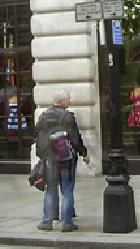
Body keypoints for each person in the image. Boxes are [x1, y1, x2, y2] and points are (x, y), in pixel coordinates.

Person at [34, 89, 89, 233]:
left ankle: (47, 221)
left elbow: (37, 137)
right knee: (67, 190)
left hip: (50, 158)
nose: (70, 102)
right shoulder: (68, 116)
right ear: (61, 101)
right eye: (68, 99)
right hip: (67, 159)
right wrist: (84, 153)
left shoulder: (44, 116)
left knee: (51, 190)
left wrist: (42, 155)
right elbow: (75, 138)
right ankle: (67, 222)